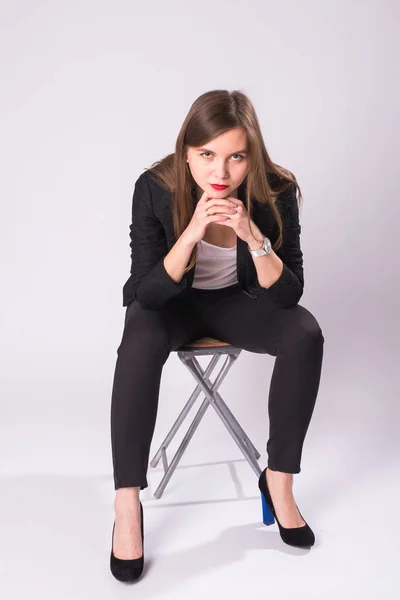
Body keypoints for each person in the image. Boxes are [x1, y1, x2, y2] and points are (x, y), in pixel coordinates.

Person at [109, 89, 325, 582]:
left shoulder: (276, 189)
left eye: (235, 157)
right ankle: (126, 504)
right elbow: (146, 291)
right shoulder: (155, 188)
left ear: (253, 154)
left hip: (238, 306)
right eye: (207, 155)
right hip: (172, 307)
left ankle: (280, 481)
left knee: (305, 333)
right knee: (139, 336)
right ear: (187, 152)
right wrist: (190, 234)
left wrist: (254, 236)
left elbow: (288, 294)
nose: (220, 174)